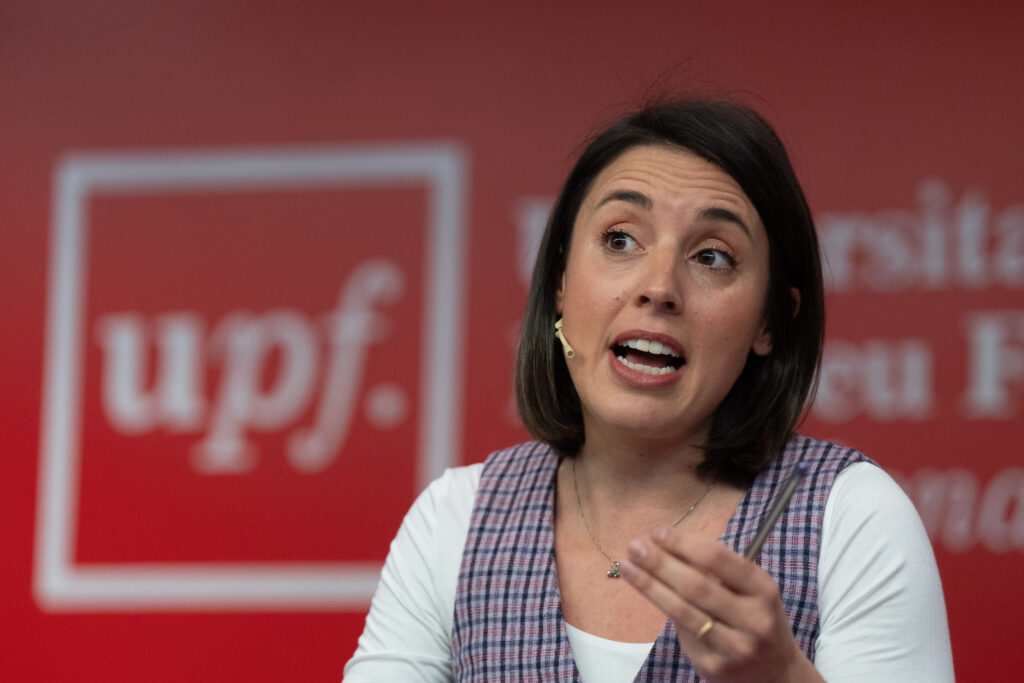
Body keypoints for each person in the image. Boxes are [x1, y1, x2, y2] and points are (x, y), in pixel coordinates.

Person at [343, 99, 954, 682]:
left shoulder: (853, 517)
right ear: (559, 281)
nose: (659, 286)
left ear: (770, 322)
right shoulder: (454, 516)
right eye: (619, 239)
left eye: (713, 256)